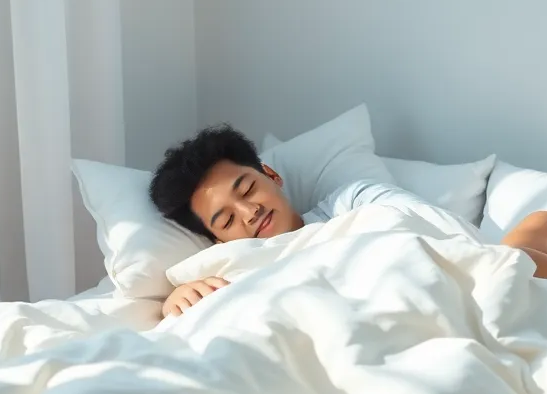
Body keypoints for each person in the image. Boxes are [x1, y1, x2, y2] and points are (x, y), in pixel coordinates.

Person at [149, 125, 421, 316]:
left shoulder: (353, 203)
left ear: (271, 175)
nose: (249, 212)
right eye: (228, 219)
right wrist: (175, 306)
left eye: (247, 190)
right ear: (218, 240)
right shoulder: (221, 278)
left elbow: (426, 227)